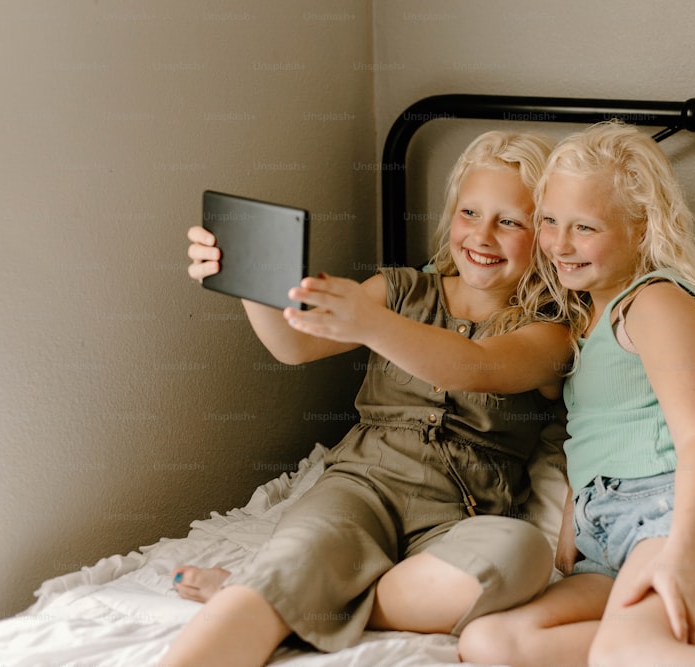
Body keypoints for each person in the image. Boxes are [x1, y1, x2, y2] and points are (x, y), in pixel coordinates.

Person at [163, 130, 572, 667]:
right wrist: (246, 277)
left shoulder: (550, 332)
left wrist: (374, 325)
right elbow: (295, 343)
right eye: (470, 212)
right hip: (364, 483)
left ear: (543, 235)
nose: (483, 235)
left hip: (464, 512)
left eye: (509, 221)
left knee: (523, 555)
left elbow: (473, 366)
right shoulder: (403, 291)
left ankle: (296, 595)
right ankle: (280, 587)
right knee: (308, 545)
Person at [458, 121, 695, 667]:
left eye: (585, 228)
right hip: (612, 536)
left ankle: (690, 637)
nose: (560, 244)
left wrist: (686, 554)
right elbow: (609, 424)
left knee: (626, 652)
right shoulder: (585, 321)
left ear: (643, 229)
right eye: (549, 220)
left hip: (687, 516)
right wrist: (579, 504)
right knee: (490, 644)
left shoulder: (657, 303)